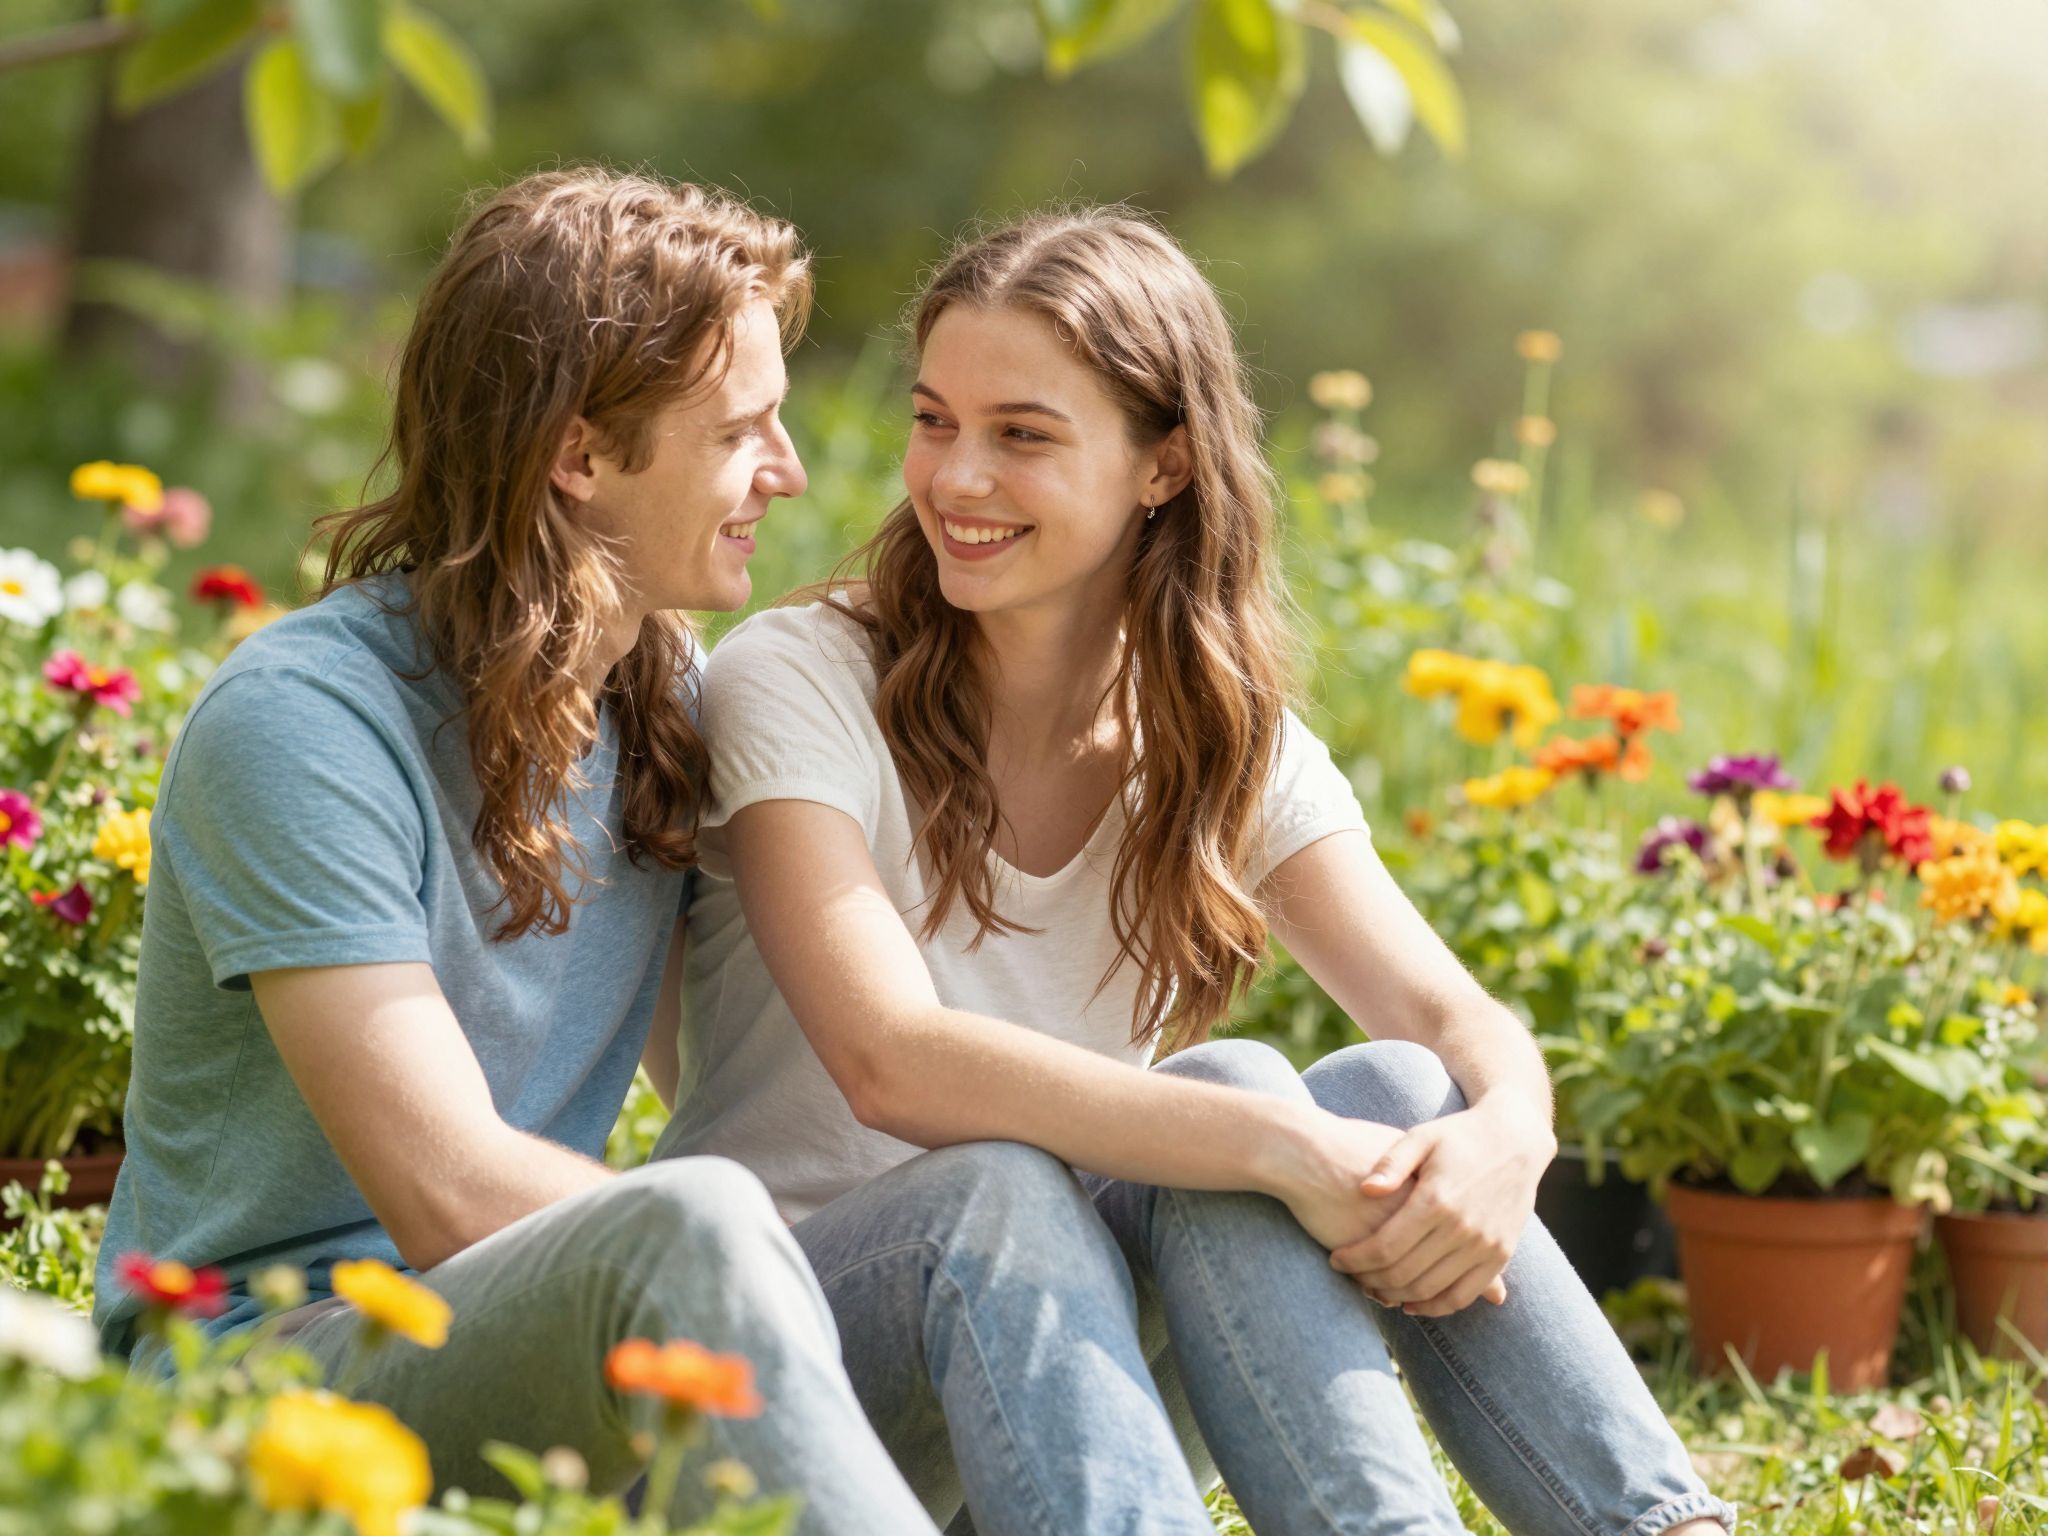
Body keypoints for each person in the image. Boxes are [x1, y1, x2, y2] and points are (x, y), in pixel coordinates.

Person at [657, 207, 1738, 1536]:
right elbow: (891, 1059)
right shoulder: (802, 675)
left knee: (1395, 1090)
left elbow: (1450, 1024)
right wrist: (1278, 1142)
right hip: (819, 1357)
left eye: (1024, 435)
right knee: (1221, 1120)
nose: (955, 476)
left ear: (1162, 464)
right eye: (936, 420)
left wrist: (1510, 1132)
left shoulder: (1218, 736)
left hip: (1077, 1375)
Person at [91, 167, 940, 1535]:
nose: (784, 473)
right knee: (694, 1221)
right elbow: (450, 1190)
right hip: (256, 1379)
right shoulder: (306, 724)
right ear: (580, 454)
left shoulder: (660, 692)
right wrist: (762, 1277)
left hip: (533, 1342)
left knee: (987, 1209)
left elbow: (732, 1074)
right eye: (740, 432)